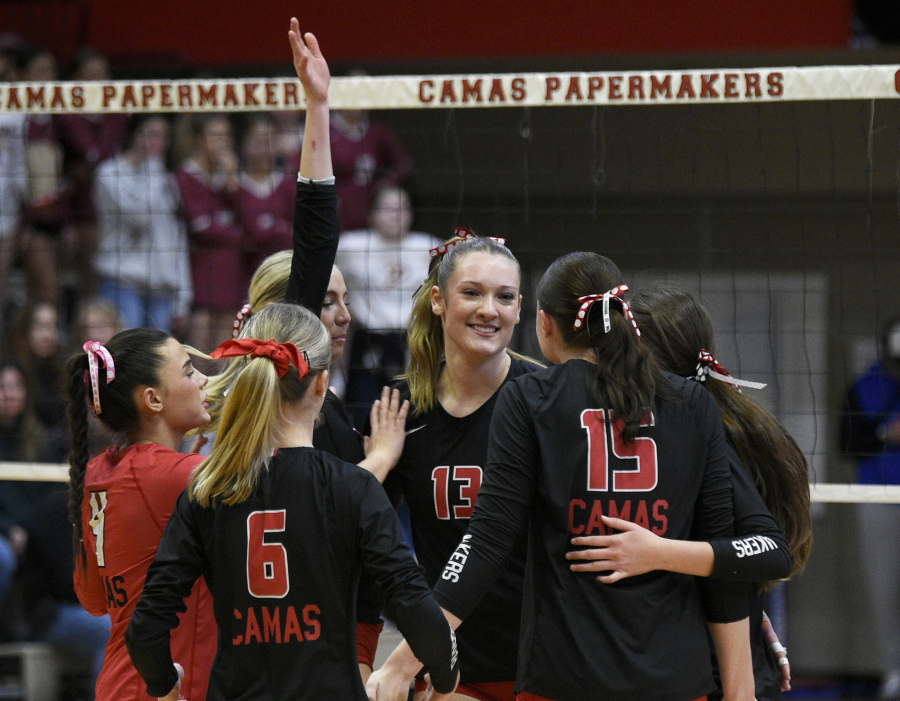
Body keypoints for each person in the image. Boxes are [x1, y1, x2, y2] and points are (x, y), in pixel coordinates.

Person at [370, 252, 755, 701]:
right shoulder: (692, 402)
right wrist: (740, 689)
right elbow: (727, 559)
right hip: (673, 676)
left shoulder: (531, 398)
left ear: (542, 322)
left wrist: (407, 656)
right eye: (472, 292)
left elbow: (487, 540)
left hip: (563, 674)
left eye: (505, 296)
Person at [195, 24, 408, 682]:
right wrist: (318, 107)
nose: (342, 315)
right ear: (285, 322)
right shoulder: (276, 405)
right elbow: (315, 234)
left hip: (328, 627)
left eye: (344, 300)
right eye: (325, 301)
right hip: (311, 639)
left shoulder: (326, 404)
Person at [124, 302, 459, 700]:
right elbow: (415, 607)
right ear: (321, 385)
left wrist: (166, 686)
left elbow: (145, 629)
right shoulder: (354, 487)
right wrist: (445, 673)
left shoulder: (207, 491)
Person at [566, 288, 812, 701]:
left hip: (719, 677)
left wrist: (658, 552)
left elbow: (770, 550)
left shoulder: (706, 437)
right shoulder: (645, 428)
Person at [363, 232, 541, 701]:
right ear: (439, 301)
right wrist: (377, 465)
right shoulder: (401, 407)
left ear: (520, 308)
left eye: (504, 297)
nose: (489, 310)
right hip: (452, 662)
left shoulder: (545, 397)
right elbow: (360, 541)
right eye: (472, 293)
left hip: (545, 660)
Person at [66, 328, 217, 700]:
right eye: (188, 371)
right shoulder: (173, 474)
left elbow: (94, 601)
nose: (203, 380)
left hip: (123, 685)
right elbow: (284, 484)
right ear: (152, 399)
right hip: (161, 687)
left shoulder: (101, 471)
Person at [336, 184, 440, 426]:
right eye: (388, 209)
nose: (396, 216)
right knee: (363, 415)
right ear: (372, 213)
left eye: (403, 209)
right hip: (367, 341)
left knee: (413, 414)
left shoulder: (430, 247)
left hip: (413, 343)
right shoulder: (349, 246)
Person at [840, 316, 900, 700]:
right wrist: (886, 434)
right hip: (877, 497)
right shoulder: (864, 385)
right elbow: (848, 443)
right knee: (884, 589)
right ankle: (893, 670)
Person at [94, 114, 192, 332]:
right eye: (152, 134)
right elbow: (140, 218)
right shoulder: (109, 173)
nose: (158, 142)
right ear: (134, 134)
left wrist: (183, 296)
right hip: (122, 281)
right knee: (126, 356)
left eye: (163, 136)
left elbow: (175, 236)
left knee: (157, 361)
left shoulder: (167, 180)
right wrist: (154, 166)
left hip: (161, 289)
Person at [176, 114, 243, 352]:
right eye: (216, 136)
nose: (223, 142)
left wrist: (232, 181)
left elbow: (248, 220)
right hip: (201, 273)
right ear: (199, 140)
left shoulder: (229, 176)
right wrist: (238, 235)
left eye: (227, 136)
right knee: (200, 354)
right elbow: (202, 229)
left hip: (231, 272)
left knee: (224, 354)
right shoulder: (185, 176)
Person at [234, 114, 295, 287]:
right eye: (257, 141)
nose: (264, 149)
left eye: (269, 141)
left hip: (287, 277)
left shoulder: (289, 184)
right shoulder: (233, 187)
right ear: (244, 144)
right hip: (244, 280)